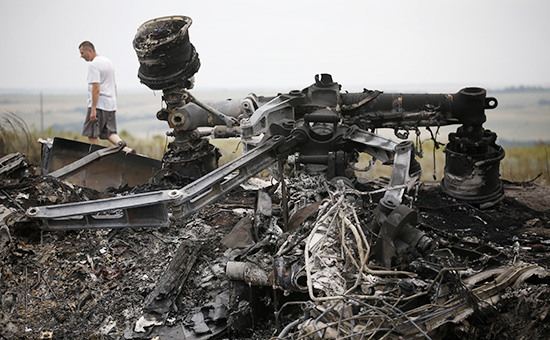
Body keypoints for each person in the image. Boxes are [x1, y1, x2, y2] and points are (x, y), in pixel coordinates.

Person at [78, 41, 134, 153]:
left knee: (92, 135)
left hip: (99, 104)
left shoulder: (94, 65)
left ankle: (94, 159)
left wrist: (93, 108)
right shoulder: (108, 62)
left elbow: (96, 88)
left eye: (82, 53)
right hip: (110, 103)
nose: (81, 56)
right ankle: (127, 150)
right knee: (110, 133)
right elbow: (114, 85)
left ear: (89, 50)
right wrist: (114, 104)